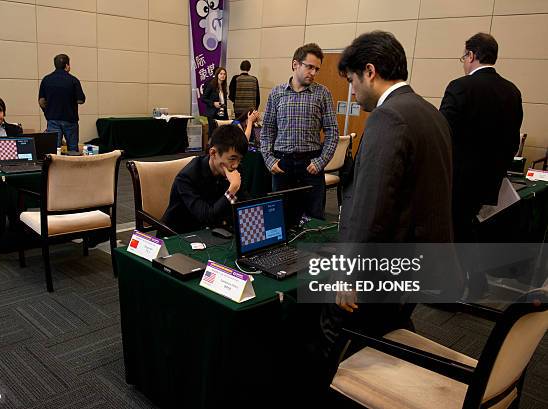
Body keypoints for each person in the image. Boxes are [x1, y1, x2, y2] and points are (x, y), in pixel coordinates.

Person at [297, 31, 459, 403]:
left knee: (328, 338)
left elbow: (371, 205)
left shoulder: (389, 119)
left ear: (369, 71)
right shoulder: (430, 114)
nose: (352, 92)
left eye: (352, 81)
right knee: (387, 330)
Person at [439, 33, 523, 298]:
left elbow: (442, 135)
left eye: (464, 57)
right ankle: (476, 281)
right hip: (490, 181)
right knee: (466, 229)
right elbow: (512, 142)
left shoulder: (460, 87)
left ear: (472, 56)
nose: (463, 62)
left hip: (458, 178)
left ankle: (452, 289)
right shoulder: (512, 91)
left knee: (452, 233)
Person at [259, 43, 338, 220]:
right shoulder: (277, 93)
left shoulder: (322, 93)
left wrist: (321, 161)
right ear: (295, 64)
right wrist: (269, 159)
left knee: (314, 218)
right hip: (281, 164)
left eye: (316, 69)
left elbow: (332, 132)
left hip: (311, 164)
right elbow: (267, 131)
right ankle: (281, 249)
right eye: (309, 67)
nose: (313, 72)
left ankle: (313, 249)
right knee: (279, 218)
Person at [162, 124, 248, 234]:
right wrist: (232, 190)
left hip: (217, 230)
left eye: (240, 160)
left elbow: (244, 202)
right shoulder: (187, 177)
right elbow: (206, 217)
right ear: (213, 153)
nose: (236, 165)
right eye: (232, 158)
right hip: (181, 235)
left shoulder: (235, 170)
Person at [38, 54, 85, 152]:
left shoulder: (46, 80)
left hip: (53, 119)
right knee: (72, 149)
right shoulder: (73, 80)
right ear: (67, 65)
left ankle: (55, 167)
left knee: (54, 150)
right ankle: (72, 166)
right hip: (70, 120)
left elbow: (41, 102)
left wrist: (47, 112)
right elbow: (81, 100)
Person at [202, 67, 229, 138]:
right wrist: (213, 103)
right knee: (213, 133)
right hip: (212, 113)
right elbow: (203, 98)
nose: (223, 75)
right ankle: (210, 148)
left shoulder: (224, 86)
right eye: (221, 74)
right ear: (217, 75)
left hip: (222, 113)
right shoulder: (211, 85)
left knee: (222, 134)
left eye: (224, 74)